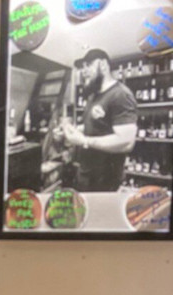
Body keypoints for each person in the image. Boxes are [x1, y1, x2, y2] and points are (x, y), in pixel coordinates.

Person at [60, 48, 138, 192]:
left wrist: (84, 141)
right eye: (82, 67)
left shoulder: (121, 94)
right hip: (86, 174)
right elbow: (94, 126)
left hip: (105, 180)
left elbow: (126, 141)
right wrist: (73, 131)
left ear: (103, 64)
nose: (84, 71)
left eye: (88, 65)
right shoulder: (93, 96)